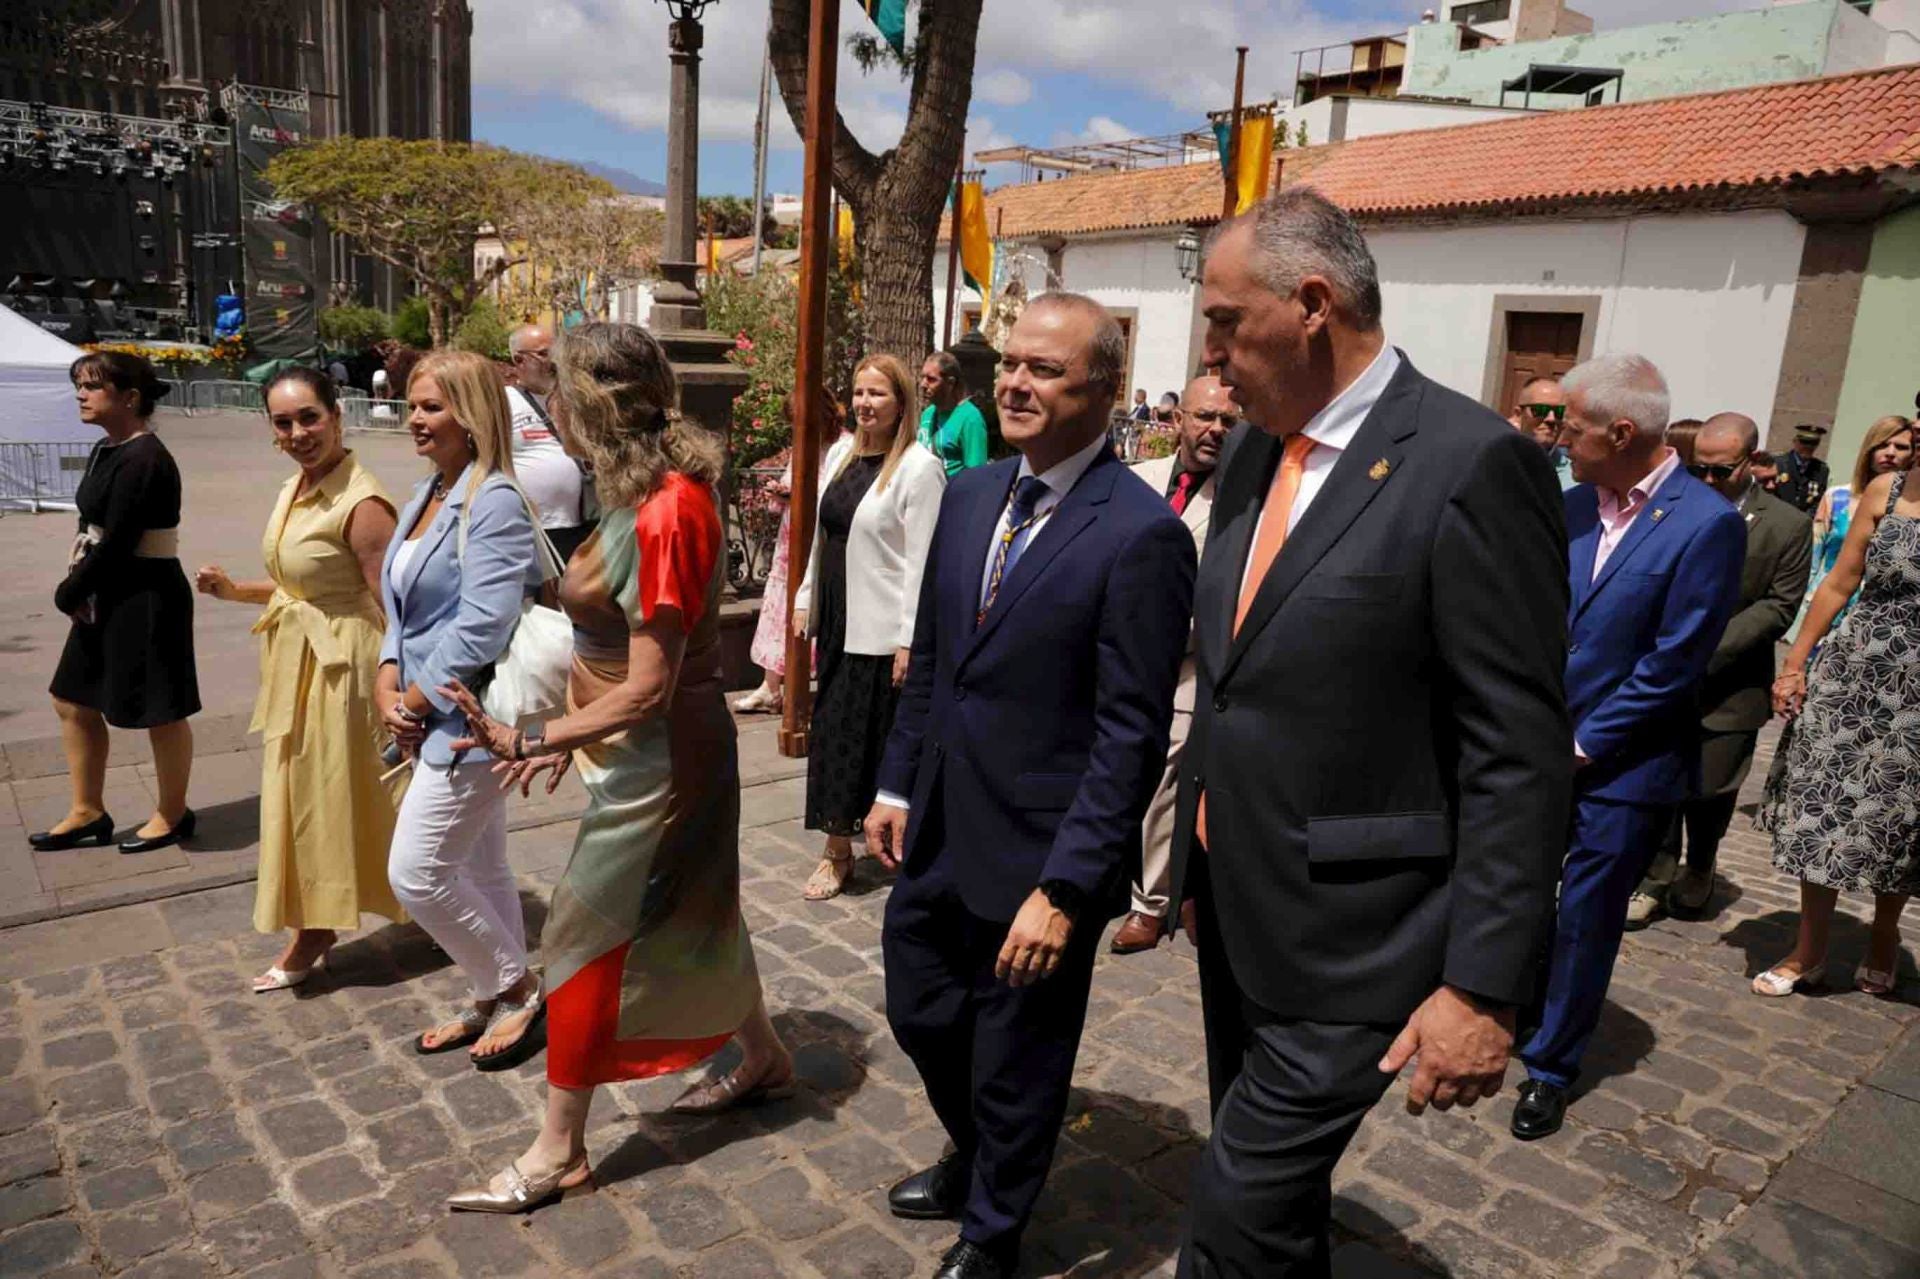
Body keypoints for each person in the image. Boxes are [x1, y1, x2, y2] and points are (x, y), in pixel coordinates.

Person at [1168, 189, 1568, 1274]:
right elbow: (1238, 679)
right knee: (1275, 1204)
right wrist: (1186, 862)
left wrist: (1483, 987)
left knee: (1232, 1209)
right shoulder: (1255, 448)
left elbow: (1515, 750)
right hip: (1243, 910)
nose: (1206, 357)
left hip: (1368, 938)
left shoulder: (1471, 464)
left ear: (1310, 304)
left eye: (1220, 321)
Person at [863, 292, 1193, 1279]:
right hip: (940, 828)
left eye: (1045, 368)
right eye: (1010, 361)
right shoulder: (971, 496)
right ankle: (982, 1152)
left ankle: (995, 1230)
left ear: (1105, 390)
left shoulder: (1140, 534)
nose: (1014, 380)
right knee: (921, 1007)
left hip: (1045, 857)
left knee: (1020, 1051)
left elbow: (1129, 734)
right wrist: (894, 786)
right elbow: (934, 661)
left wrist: (1064, 890)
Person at [440, 321, 792, 1213]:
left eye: (556, 389)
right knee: (699, 899)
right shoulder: (633, 492)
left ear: (591, 402)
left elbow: (650, 686)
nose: (547, 406)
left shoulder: (667, 507)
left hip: (665, 756)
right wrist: (577, 730)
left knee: (581, 932)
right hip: (642, 748)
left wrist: (536, 737)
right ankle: (763, 1055)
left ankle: (558, 1148)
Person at [1512, 355, 1745, 1141]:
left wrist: (1583, 743)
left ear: (1620, 431)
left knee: (1585, 914)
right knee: (1518, 888)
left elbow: (1674, 662)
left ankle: (1551, 1063)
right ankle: (1512, 1005)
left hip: (1625, 763)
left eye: (1570, 427)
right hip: (1543, 746)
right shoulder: (1574, 504)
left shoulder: (1704, 523)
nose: (1558, 437)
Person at [194, 369, 409, 992]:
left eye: (309, 417)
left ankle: (318, 926)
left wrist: (404, 688)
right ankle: (331, 914)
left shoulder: (362, 503)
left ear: (338, 417)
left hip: (346, 669)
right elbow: (301, 587)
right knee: (306, 796)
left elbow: (394, 606)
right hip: (302, 663)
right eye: (284, 422)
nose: (298, 432)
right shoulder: (298, 486)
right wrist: (235, 591)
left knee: (328, 799)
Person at [377, 350, 549, 1068]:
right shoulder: (427, 493)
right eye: (413, 405)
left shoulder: (495, 497)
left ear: (472, 416)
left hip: (469, 719)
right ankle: (493, 996)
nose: (415, 419)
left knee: (416, 872)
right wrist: (387, 676)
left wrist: (410, 701)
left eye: (432, 407)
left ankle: (519, 986)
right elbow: (397, 601)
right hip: (423, 708)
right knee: (481, 866)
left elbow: (483, 622)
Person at [1625, 414, 1810, 929]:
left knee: (1711, 786)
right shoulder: (1669, 506)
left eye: (1721, 471)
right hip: (1660, 675)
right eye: (1698, 468)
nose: (1707, 481)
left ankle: (1701, 864)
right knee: (1658, 780)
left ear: (1751, 461)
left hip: (1728, 683)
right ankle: (1655, 876)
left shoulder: (1786, 525)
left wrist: (1701, 652)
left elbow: (1779, 605)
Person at [1754, 454, 1920, 999]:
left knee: (1897, 817)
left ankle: (1883, 934)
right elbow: (1839, 582)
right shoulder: (1886, 491)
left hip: (1916, 699)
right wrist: (1795, 663)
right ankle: (1811, 948)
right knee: (1822, 806)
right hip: (1852, 676)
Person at [33, 352, 199, 855]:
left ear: (129, 398)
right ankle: (88, 810)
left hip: (145, 593)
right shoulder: (108, 449)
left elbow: (122, 539)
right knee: (72, 697)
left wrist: (71, 589)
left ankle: (173, 812)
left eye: (92, 386)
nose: (81, 394)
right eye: (78, 385)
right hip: (106, 589)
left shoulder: (146, 458)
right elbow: (96, 528)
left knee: (161, 710)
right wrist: (82, 580)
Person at [792, 355, 945, 901]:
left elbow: (924, 561)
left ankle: (892, 843)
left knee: (871, 741)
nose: (864, 404)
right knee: (833, 735)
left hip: (880, 629)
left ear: (901, 401)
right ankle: (836, 849)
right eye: (859, 393)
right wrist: (807, 596)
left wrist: (910, 637)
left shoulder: (918, 468)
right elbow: (821, 534)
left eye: (877, 394)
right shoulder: (841, 454)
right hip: (837, 618)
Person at [1110, 372, 1233, 956]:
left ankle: (1150, 903)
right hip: (1115, 656)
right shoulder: (1137, 482)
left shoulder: (1241, 502)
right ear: (1179, 419)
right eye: (1205, 417)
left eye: (1228, 421)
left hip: (1188, 663)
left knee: (1163, 766)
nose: (1214, 430)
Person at [733, 393, 846, 716]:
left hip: (819, 541)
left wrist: (799, 494)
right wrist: (781, 493)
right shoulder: (802, 445)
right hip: (790, 540)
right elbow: (792, 485)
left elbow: (835, 494)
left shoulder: (844, 446)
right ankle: (770, 686)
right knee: (780, 608)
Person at [1790, 415, 1913, 644]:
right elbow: (1813, 560)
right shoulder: (1836, 497)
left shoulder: (1911, 509)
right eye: (1882, 445)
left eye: (1901, 447)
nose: (1890, 452)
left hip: (1876, 621)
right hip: (1824, 610)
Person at [507, 323, 593, 561]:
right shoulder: (504, 403)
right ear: (519, 361)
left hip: (580, 524)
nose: (554, 361)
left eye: (557, 353)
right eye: (544, 354)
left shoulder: (575, 400)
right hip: (530, 528)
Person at [918, 351, 990, 478]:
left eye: (931, 379)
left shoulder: (970, 419)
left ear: (950, 383)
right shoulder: (928, 414)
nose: (923, 384)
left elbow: (976, 475)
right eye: (923, 377)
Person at [1508, 375, 1575, 490]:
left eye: (1559, 411)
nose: (1551, 418)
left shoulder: (1576, 479)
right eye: (1541, 410)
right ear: (1519, 414)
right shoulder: (1496, 465)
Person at [1776, 423, 1831, 512]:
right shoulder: (1778, 464)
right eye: (1805, 442)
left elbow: (1818, 502)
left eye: (1813, 443)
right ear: (1795, 442)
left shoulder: (1821, 470)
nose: (1808, 447)